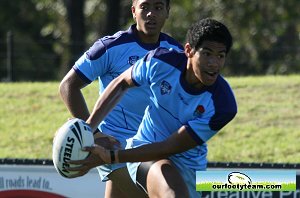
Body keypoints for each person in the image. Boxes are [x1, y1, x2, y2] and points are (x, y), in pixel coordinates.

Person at [68, 18, 238, 197]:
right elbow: (121, 83)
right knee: (171, 192)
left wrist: (112, 156)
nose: (214, 63)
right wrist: (89, 130)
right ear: (188, 50)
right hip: (146, 152)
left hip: (188, 169)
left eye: (221, 56)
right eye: (207, 54)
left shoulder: (223, 105)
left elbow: (169, 146)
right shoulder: (160, 61)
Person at [59, 0, 183, 197]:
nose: (151, 13)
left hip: (155, 146)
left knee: (206, 186)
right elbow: (68, 86)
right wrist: (94, 134)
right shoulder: (110, 46)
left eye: (158, 7)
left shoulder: (177, 52)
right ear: (134, 11)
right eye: (145, 7)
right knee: (169, 193)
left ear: (167, 12)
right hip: (115, 147)